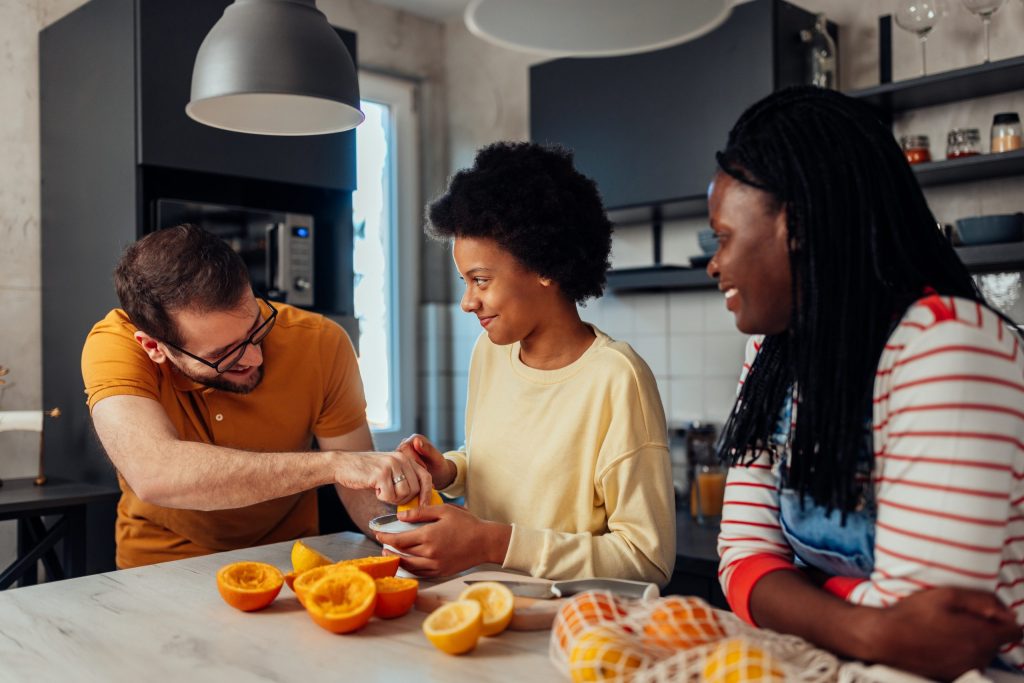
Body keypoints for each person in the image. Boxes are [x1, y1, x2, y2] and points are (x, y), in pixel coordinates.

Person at [708, 86, 1024, 679]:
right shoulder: (772, 354)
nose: (714, 264)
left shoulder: (946, 345)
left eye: (723, 237)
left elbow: (931, 638)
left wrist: (801, 587)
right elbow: (740, 558)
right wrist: (868, 622)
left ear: (796, 224)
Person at [374, 142, 676, 585]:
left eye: (480, 280)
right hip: (483, 609)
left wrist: (493, 544)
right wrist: (452, 470)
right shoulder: (490, 353)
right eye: (465, 281)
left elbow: (647, 561)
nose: (466, 301)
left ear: (545, 265)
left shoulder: (616, 378)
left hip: (568, 631)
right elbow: (512, 467)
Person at [82, 224, 431, 568]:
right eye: (223, 353)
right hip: (162, 563)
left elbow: (360, 487)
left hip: (291, 558)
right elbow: (154, 471)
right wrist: (333, 464)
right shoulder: (115, 345)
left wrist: (405, 535)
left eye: (255, 328)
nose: (254, 358)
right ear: (154, 347)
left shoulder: (322, 342)